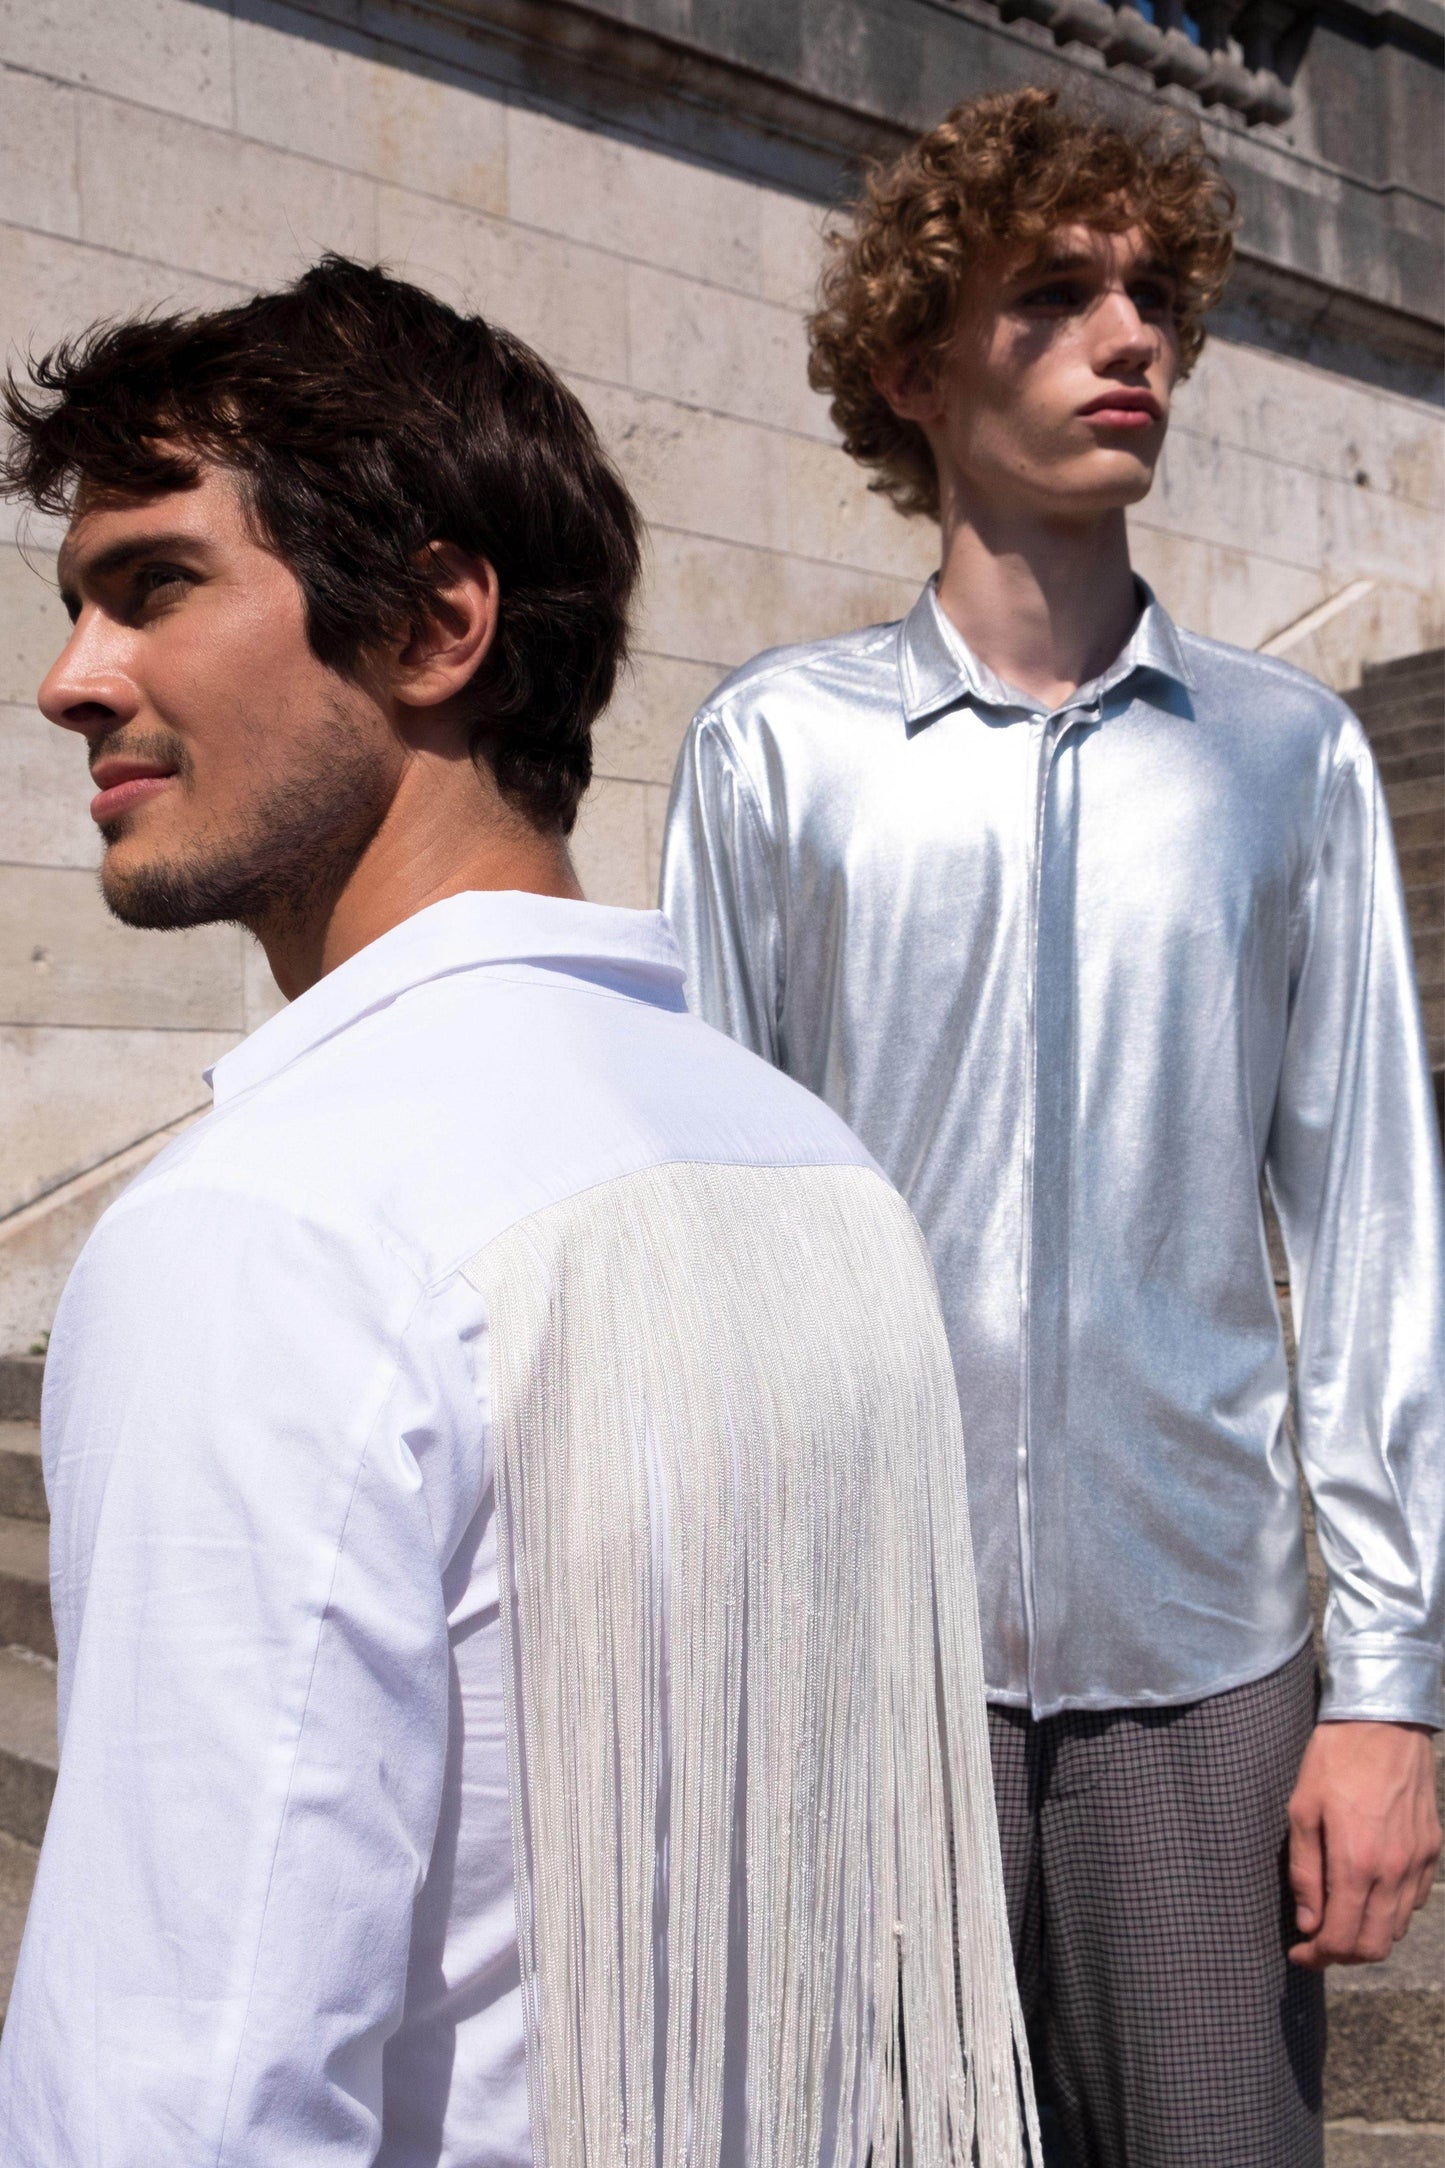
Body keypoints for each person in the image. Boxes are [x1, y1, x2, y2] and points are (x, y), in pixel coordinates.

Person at [0, 258, 1038, 2166]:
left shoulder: (274, 1230)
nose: (73, 680)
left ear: (433, 623)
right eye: (77, 604)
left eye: (154, 586)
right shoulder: (815, 1164)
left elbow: (184, 2090)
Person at [661, 88, 1445, 2167]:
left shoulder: (1286, 759)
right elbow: (703, 1245)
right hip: (855, 1655)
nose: (1133, 339)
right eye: (1055, 294)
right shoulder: (776, 754)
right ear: (914, 369)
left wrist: (1388, 1684)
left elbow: (1370, 1234)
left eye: (1155, 296)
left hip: (1205, 1666)